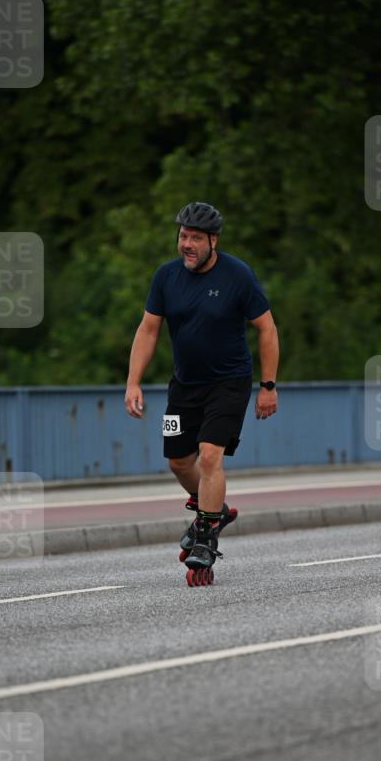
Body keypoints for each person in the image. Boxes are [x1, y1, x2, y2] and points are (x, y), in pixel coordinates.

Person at [124, 201, 279, 579]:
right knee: (178, 461)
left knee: (210, 456)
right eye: (182, 236)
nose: (186, 244)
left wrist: (268, 386)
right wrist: (133, 381)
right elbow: (148, 330)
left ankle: (206, 536)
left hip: (229, 382)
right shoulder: (166, 277)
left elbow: (267, 329)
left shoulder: (237, 275)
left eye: (195, 238)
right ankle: (217, 509)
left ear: (213, 240)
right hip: (184, 384)